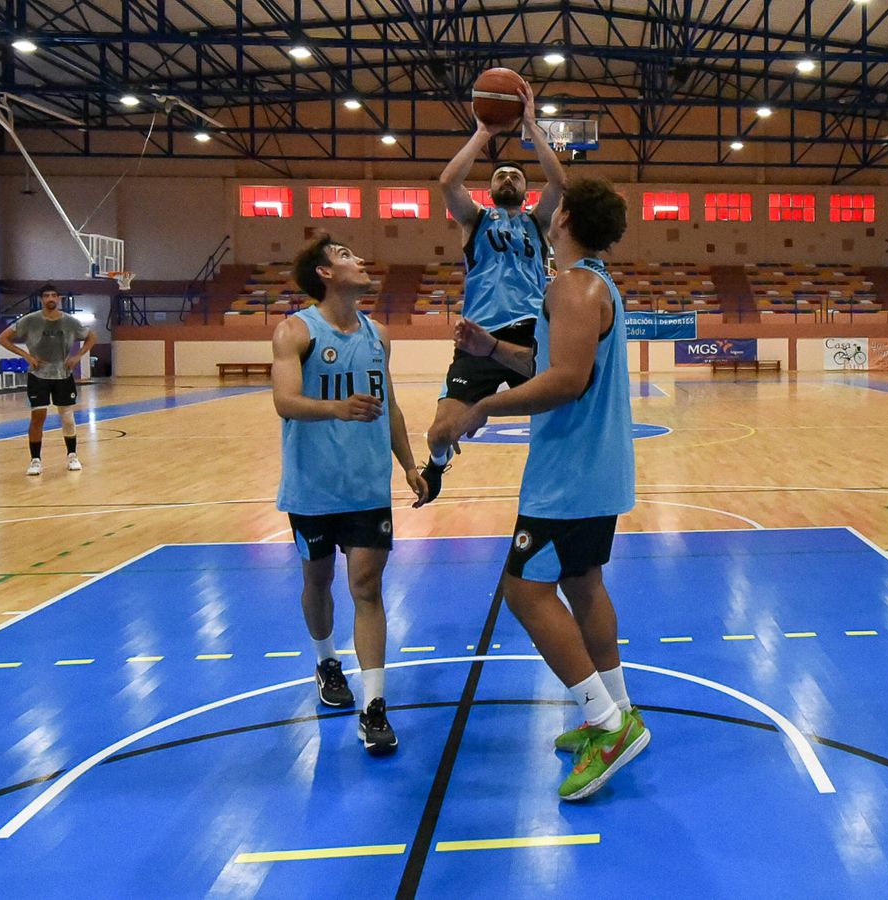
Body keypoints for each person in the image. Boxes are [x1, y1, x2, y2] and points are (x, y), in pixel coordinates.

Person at [454, 177, 649, 801]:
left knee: (523, 590)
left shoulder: (571, 286)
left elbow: (565, 381)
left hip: (568, 475)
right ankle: (621, 710)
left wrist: (482, 405)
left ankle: (604, 722)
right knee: (582, 584)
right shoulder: (591, 284)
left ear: (561, 219)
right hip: (596, 470)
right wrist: (493, 349)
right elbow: (552, 363)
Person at [273, 233, 428, 755]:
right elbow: (285, 401)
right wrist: (336, 408)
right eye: (345, 255)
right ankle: (325, 661)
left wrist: (409, 465)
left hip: (367, 488)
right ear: (324, 273)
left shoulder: (377, 334)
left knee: (366, 587)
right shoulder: (296, 330)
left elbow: (392, 406)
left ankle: (375, 707)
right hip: (312, 488)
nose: (359, 260)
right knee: (318, 582)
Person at [421, 80, 566, 503]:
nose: (507, 177)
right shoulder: (475, 220)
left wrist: (532, 127)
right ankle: (437, 464)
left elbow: (558, 183)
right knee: (440, 431)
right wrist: (483, 132)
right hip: (477, 335)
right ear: (490, 189)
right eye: (500, 174)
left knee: (565, 410)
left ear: (525, 191)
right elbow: (448, 182)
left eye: (515, 175)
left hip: (529, 334)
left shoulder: (537, 223)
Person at [0, 284, 96, 475]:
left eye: (53, 295)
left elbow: (91, 336)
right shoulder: (30, 320)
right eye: (46, 295)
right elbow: (2, 338)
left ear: (59, 299)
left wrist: (77, 356)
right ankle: (35, 460)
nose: (50, 298)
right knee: (37, 417)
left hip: (62, 373)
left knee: (67, 416)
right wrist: (27, 356)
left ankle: (72, 455)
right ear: (42, 299)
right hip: (38, 375)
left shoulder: (69, 321)